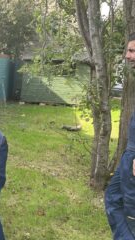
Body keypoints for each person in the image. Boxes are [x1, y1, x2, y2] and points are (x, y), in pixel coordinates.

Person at [105, 32, 135, 240]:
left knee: (132, 213)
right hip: (129, 154)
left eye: (132, 50)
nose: (127, 55)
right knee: (113, 198)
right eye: (128, 50)